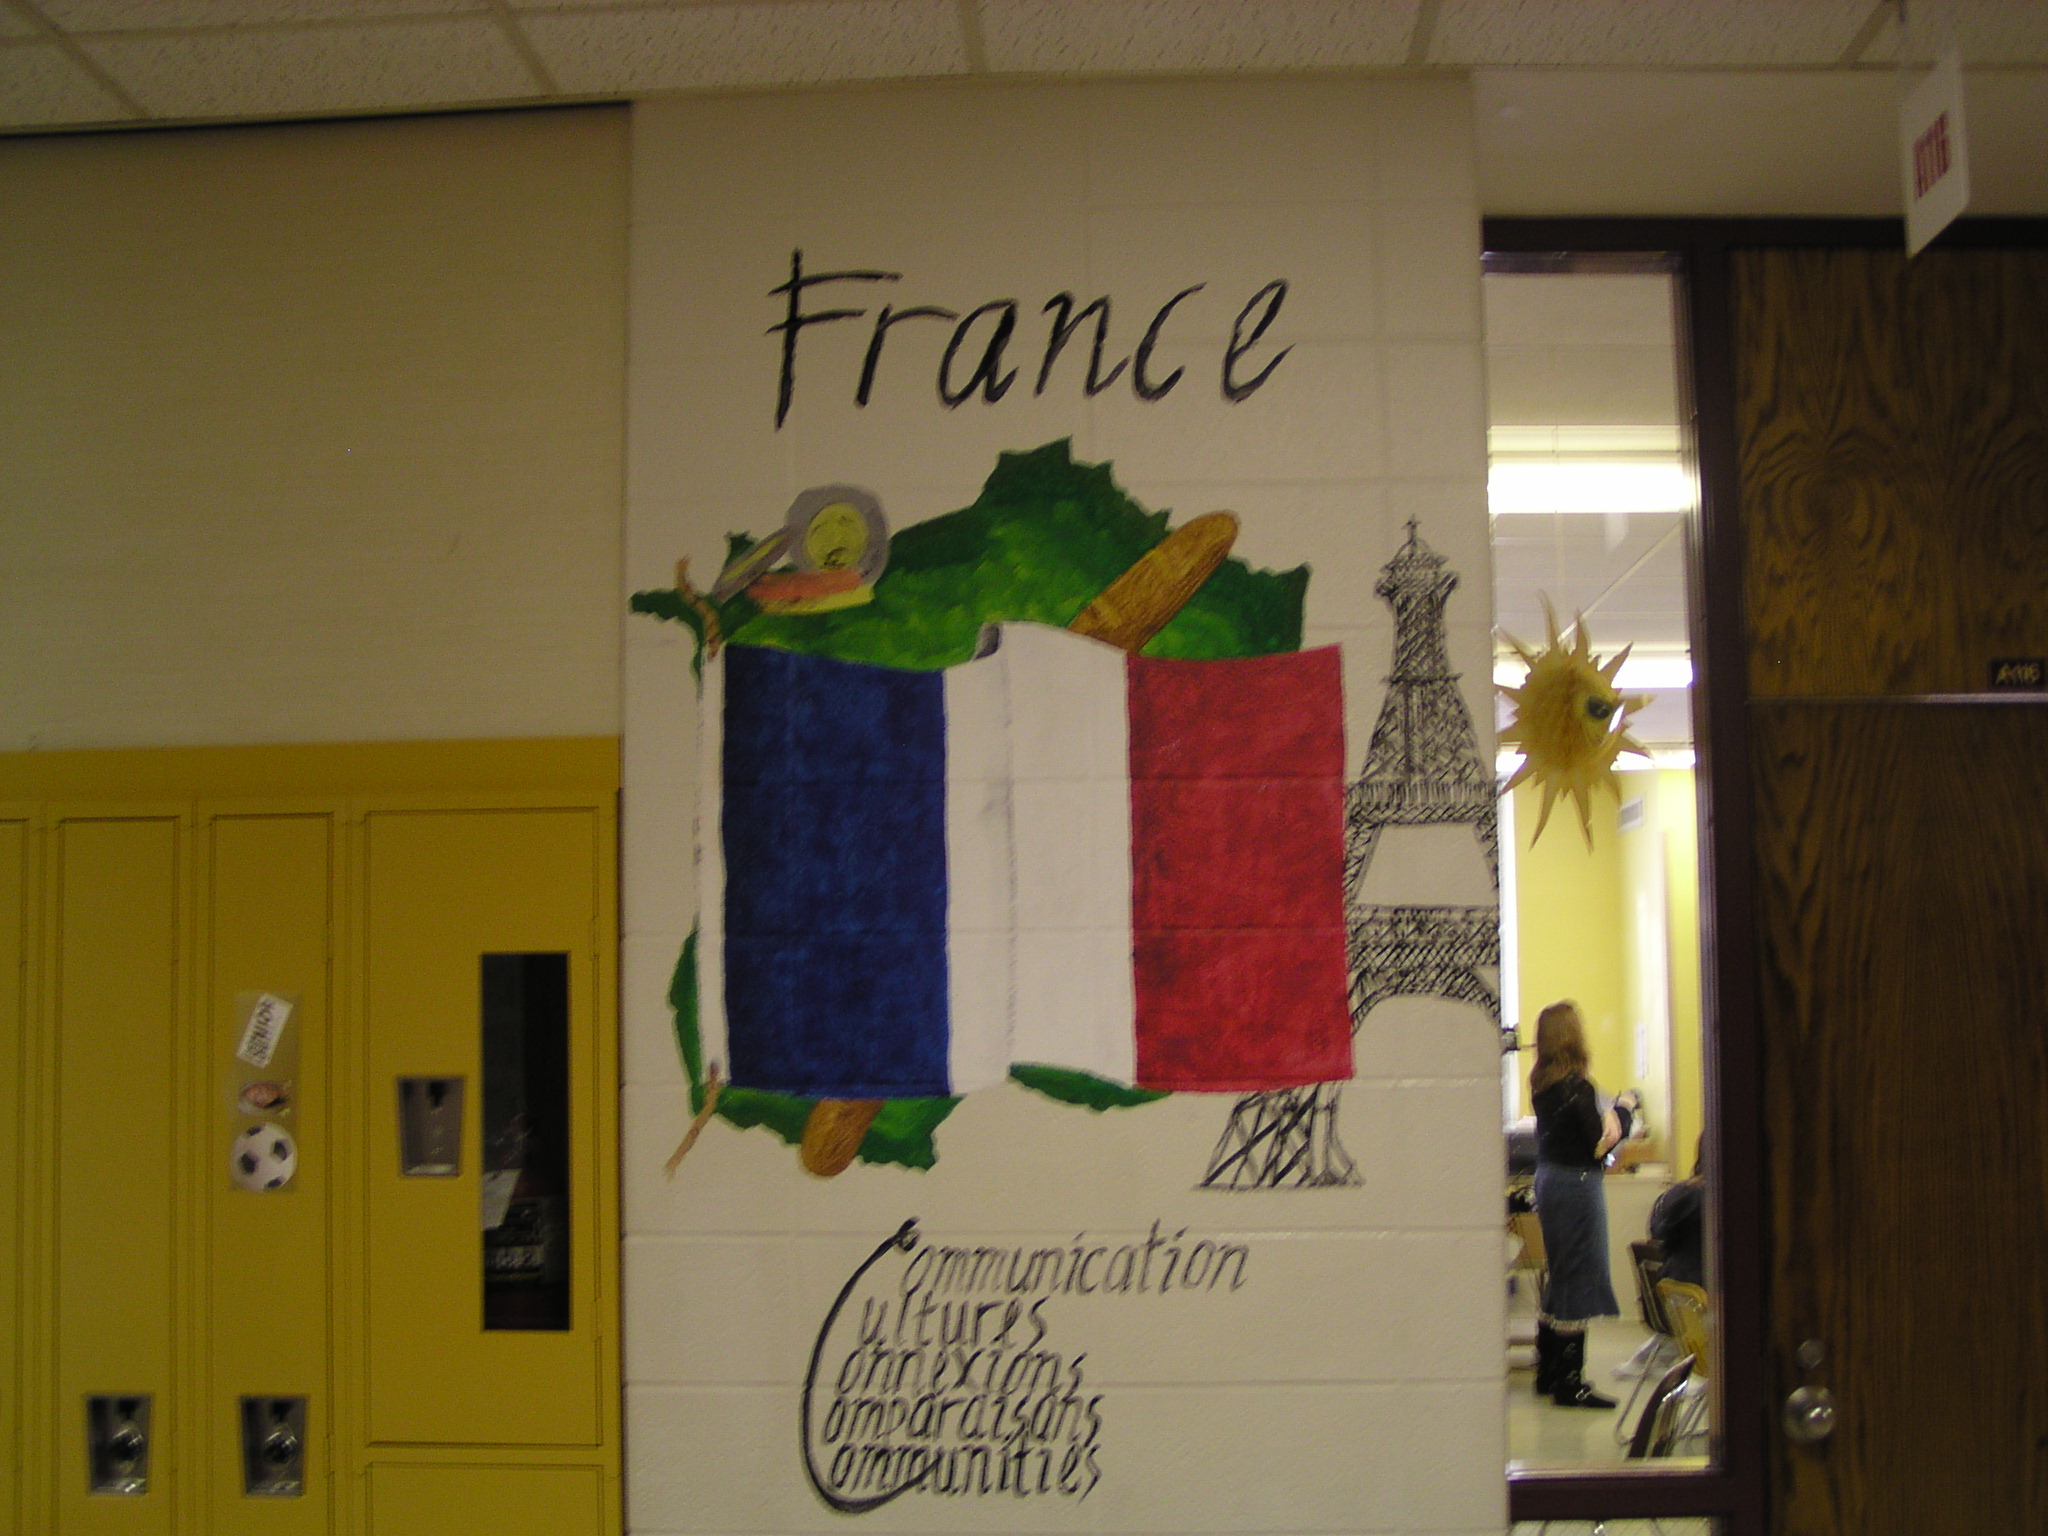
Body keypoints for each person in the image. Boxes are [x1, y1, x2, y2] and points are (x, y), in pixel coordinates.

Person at [1529, 999, 1622, 1409]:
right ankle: (1571, 1382)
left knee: (1560, 1272)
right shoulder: (1577, 1087)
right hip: (1578, 1183)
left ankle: (1548, 1372)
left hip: (1550, 1178)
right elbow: (1597, 1145)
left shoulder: (1542, 1085)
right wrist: (1622, 1115)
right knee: (1578, 1276)